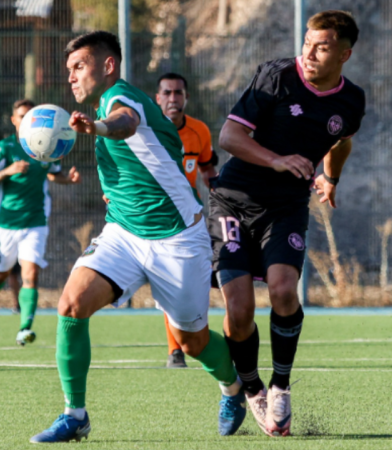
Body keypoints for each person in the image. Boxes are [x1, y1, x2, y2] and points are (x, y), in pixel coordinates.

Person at [29, 31, 246, 443]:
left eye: (79, 66)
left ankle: (233, 387)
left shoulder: (119, 101)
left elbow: (122, 125)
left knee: (192, 342)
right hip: (124, 235)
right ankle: (75, 414)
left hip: (178, 240)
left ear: (107, 65)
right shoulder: (101, 106)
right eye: (68, 69)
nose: (71, 76)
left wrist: (98, 126)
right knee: (71, 304)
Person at [210, 10, 365, 436]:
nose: (309, 52)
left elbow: (342, 139)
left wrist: (330, 177)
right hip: (233, 202)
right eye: (307, 43)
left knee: (282, 290)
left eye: (322, 46)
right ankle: (253, 389)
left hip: (286, 206)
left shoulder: (351, 101)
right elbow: (228, 137)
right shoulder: (275, 76)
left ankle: (280, 385)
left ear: (344, 54)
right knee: (238, 310)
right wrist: (277, 160)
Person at [0, 99, 81, 345]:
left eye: (30, 116)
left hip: (36, 221)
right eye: (21, 116)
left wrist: (68, 179)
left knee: (31, 274)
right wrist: (8, 171)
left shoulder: (45, 145)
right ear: (14, 120)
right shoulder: (4, 148)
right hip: (5, 223)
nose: (26, 120)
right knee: (1, 273)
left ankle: (24, 328)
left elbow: (52, 173)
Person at [154, 72, 218, 368]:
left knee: (188, 282)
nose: (172, 99)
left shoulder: (199, 131)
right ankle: (174, 349)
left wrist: (221, 200)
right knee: (169, 281)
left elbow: (207, 169)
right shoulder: (148, 129)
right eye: (166, 93)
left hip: (189, 218)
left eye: (178, 93)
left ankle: (185, 344)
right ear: (157, 99)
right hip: (154, 216)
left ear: (186, 98)